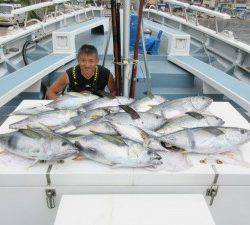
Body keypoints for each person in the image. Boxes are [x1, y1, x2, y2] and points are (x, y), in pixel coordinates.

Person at [46, 44, 116, 99]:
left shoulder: (106, 73)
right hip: (75, 108)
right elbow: (50, 92)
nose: (87, 65)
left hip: (97, 107)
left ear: (97, 61)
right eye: (83, 61)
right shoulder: (69, 74)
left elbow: (114, 92)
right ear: (78, 60)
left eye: (91, 61)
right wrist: (61, 105)